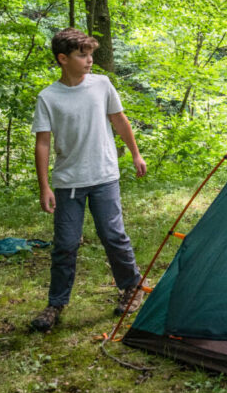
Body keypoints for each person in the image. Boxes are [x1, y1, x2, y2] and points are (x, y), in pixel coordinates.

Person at [29, 28, 147, 332]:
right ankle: (56, 304)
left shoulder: (102, 85)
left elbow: (119, 119)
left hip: (105, 175)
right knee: (65, 244)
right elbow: (42, 143)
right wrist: (44, 186)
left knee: (113, 235)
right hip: (68, 182)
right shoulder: (48, 97)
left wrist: (136, 154)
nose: (90, 60)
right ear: (63, 59)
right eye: (83, 55)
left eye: (91, 54)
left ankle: (132, 288)